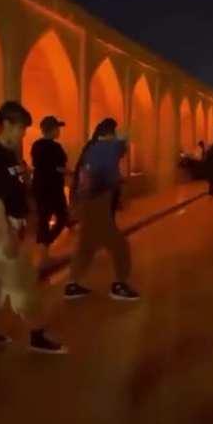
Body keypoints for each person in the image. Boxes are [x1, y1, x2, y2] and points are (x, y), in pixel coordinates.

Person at [0, 101, 67, 353]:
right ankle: (37, 334)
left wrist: (23, 178)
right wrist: (7, 236)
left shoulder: (7, 154)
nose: (23, 133)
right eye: (20, 128)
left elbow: (12, 187)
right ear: (6, 125)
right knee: (21, 279)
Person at [65, 118, 139, 301]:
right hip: (96, 205)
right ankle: (119, 285)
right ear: (107, 134)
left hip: (89, 205)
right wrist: (124, 137)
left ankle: (72, 285)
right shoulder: (103, 148)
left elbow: (108, 173)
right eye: (113, 133)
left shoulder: (92, 150)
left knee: (86, 246)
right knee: (119, 245)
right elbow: (119, 148)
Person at [31, 116, 69, 263]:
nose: (59, 131)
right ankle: (45, 246)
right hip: (53, 188)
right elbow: (59, 168)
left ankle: (44, 252)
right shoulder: (56, 148)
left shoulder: (36, 146)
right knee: (62, 216)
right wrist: (69, 172)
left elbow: (38, 165)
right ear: (52, 130)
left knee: (43, 218)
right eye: (57, 128)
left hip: (39, 186)